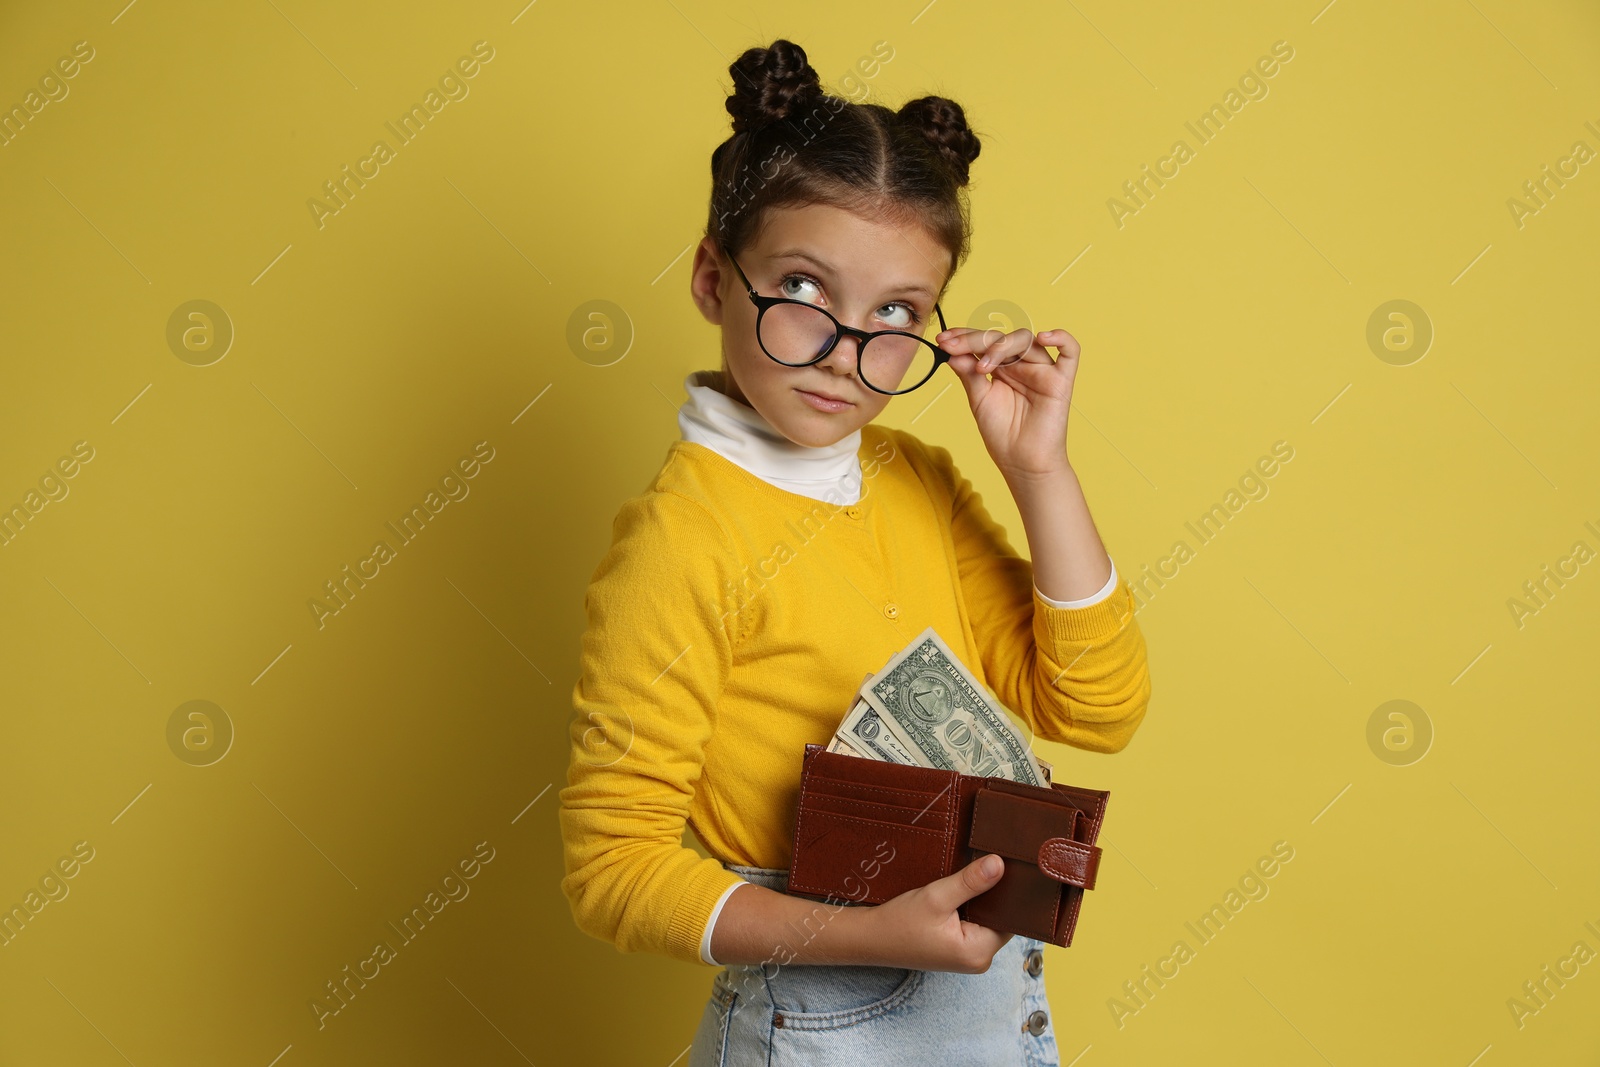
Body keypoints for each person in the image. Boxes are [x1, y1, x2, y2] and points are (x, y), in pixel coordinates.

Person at [559, 37, 1152, 1065]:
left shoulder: (915, 478)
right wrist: (863, 935)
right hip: (822, 1017)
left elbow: (1095, 707)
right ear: (711, 276)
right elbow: (612, 865)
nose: (846, 350)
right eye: (801, 285)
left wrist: (1037, 472)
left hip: (991, 1014)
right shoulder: (681, 540)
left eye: (894, 312)